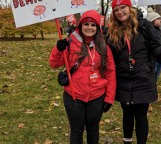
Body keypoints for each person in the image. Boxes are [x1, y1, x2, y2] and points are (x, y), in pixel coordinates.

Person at [106, 0, 161, 144]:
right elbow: (107, 55)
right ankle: (127, 141)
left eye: (122, 7)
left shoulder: (144, 26)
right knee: (127, 114)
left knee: (141, 116)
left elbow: (156, 49)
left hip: (142, 79)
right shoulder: (112, 32)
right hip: (123, 80)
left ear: (129, 8)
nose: (120, 12)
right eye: (116, 9)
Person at [49, 10, 116, 144]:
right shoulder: (70, 42)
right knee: (76, 130)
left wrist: (109, 98)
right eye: (86, 24)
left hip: (97, 96)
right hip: (74, 95)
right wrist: (58, 49)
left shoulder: (103, 45)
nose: (89, 28)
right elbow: (54, 63)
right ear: (81, 25)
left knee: (93, 129)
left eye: (93, 25)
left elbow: (110, 72)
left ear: (97, 28)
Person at [147, 7, 161, 83]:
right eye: (158, 18)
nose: (160, 20)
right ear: (152, 20)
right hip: (154, 61)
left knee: (155, 80)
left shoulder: (160, 31)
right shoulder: (149, 32)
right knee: (151, 81)